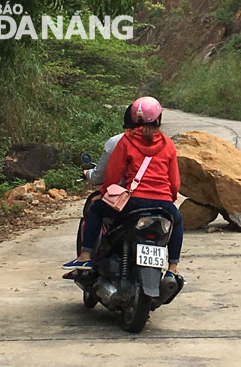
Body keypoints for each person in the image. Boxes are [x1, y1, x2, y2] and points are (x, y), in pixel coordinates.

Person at [63, 96, 183, 282]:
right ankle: (173, 268)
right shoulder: (168, 145)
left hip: (132, 203)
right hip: (163, 203)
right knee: (178, 221)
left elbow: (112, 176)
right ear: (158, 119)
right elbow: (174, 182)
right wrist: (169, 199)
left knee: (95, 211)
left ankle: (85, 257)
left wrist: (103, 194)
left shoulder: (126, 141)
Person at [84, 104, 136, 185]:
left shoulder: (116, 141)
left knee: (95, 197)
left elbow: (98, 177)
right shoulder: (162, 143)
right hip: (161, 194)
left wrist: (87, 173)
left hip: (129, 193)